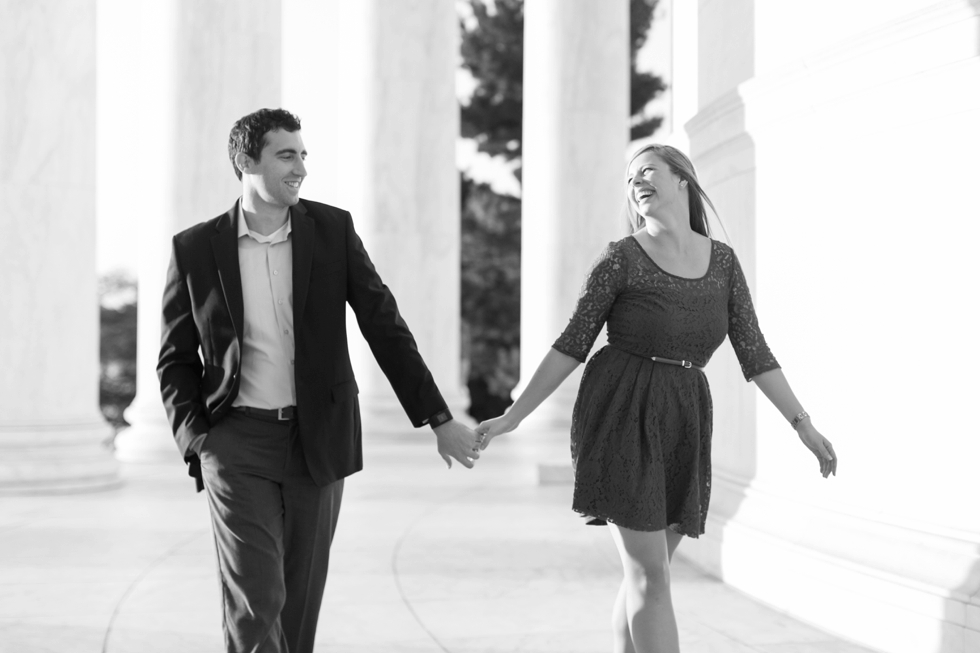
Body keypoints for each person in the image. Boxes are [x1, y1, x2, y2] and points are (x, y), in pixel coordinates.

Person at [475, 144, 837, 653]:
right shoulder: (620, 258)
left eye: (647, 171)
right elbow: (571, 344)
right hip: (622, 410)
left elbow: (755, 353)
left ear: (682, 181)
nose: (635, 181)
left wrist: (804, 425)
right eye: (629, 178)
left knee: (649, 573)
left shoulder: (724, 264)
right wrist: (514, 416)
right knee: (651, 576)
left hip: (685, 413)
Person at [157, 108, 483, 653]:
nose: (301, 167)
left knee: (299, 602)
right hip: (235, 442)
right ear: (245, 160)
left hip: (317, 442)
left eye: (303, 155)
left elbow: (385, 326)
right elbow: (175, 358)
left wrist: (439, 417)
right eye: (287, 155)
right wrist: (198, 441)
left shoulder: (332, 231)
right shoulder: (194, 248)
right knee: (257, 599)